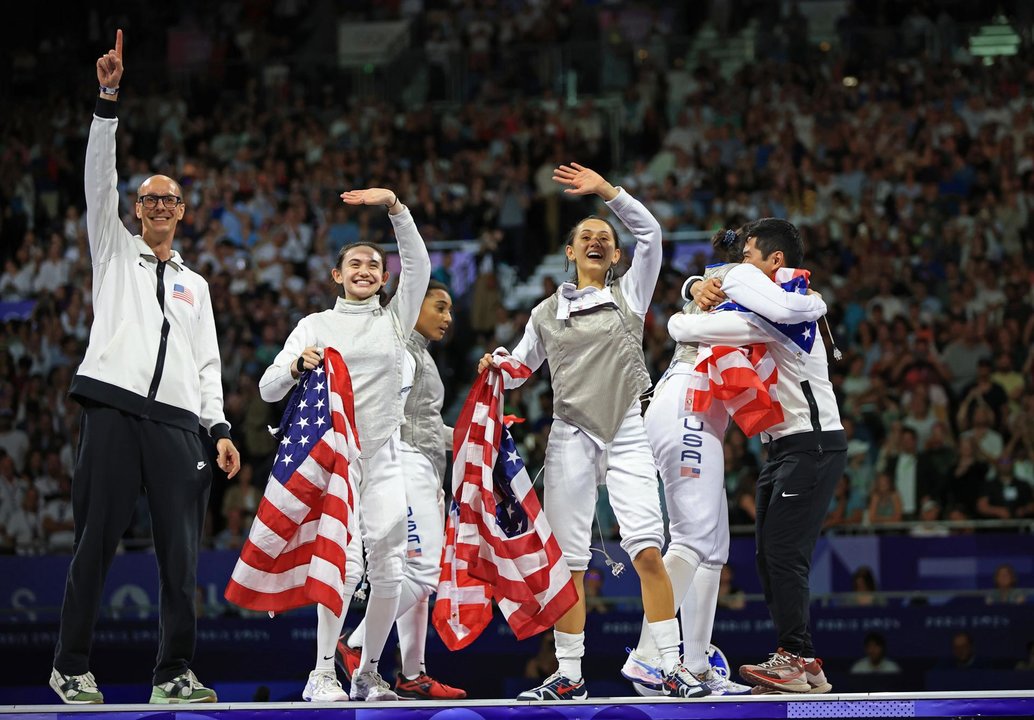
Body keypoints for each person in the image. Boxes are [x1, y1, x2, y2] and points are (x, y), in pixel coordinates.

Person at [50, 29, 242, 706]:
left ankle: (174, 673)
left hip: (179, 428)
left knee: (181, 559)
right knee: (95, 544)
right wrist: (108, 100)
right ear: (136, 210)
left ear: (183, 214)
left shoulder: (196, 284)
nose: (159, 207)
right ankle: (70, 665)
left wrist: (218, 427)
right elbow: (97, 178)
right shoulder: (113, 248)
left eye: (171, 201)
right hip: (111, 407)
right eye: (149, 199)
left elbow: (208, 362)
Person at [479, 163, 708, 700]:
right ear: (570, 252)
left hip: (628, 430)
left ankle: (668, 666)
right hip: (570, 437)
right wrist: (496, 363)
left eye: (605, 237)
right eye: (586, 236)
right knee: (570, 564)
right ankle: (569, 675)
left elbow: (650, 232)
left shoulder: (631, 293)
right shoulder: (544, 312)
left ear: (617, 255)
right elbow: (520, 367)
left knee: (649, 552)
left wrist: (609, 193)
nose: (597, 240)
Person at [623, 227, 826, 697]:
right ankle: (650, 656)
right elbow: (778, 306)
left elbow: (699, 285)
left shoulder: (738, 281)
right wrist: (817, 301)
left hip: (700, 416)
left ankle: (694, 663)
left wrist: (692, 286)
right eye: (748, 252)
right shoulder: (742, 279)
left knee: (713, 549)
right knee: (694, 538)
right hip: (687, 403)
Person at [258, 187, 429, 702]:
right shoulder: (316, 326)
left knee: (390, 565)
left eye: (374, 265)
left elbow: (417, 262)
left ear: (383, 276)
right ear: (337, 275)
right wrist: (294, 365)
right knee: (343, 565)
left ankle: (370, 672)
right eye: (354, 263)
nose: (364, 270)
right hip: (334, 462)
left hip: (384, 454)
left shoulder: (396, 319)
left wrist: (396, 207)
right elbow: (268, 387)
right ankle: (321, 674)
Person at [670, 218, 845, 694]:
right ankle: (804, 659)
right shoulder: (780, 305)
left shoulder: (784, 309)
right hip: (785, 449)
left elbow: (685, 327)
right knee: (771, 557)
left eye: (748, 258)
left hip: (811, 445)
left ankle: (794, 656)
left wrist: (700, 293)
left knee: (785, 555)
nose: (739, 267)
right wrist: (698, 283)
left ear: (776, 262)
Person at [336, 280, 466, 700]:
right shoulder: (397, 350)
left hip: (423, 466)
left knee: (418, 580)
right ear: (413, 303)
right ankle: (356, 644)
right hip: (405, 466)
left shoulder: (420, 355)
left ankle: (413, 674)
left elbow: (427, 427)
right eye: (440, 306)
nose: (448, 317)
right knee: (424, 574)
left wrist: (480, 432)